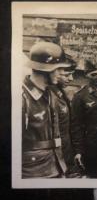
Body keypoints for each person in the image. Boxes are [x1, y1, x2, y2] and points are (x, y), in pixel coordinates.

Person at [22, 42, 71, 178]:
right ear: (45, 69)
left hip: (54, 168)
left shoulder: (50, 94)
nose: (62, 73)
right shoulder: (22, 99)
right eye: (58, 68)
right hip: (33, 174)